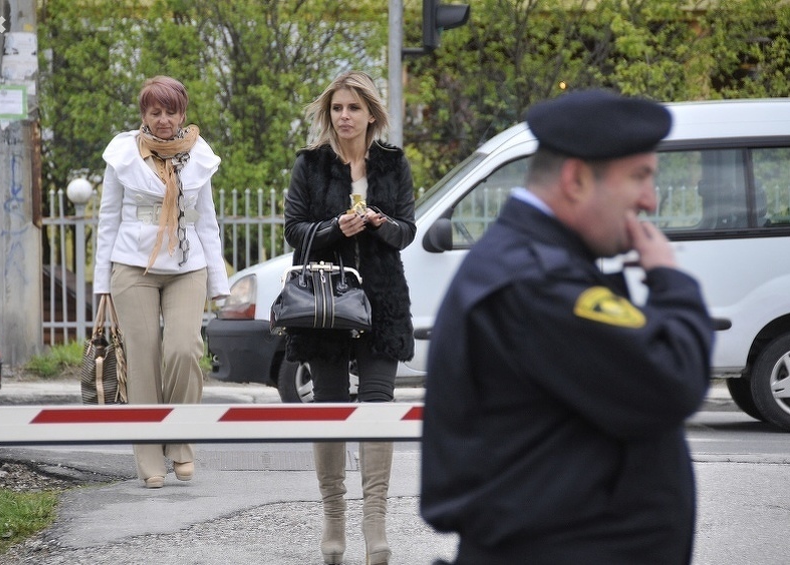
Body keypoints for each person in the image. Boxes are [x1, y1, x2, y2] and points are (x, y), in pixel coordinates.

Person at [420, 89, 715, 564]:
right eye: (639, 177)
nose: (650, 201)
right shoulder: (539, 281)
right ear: (576, 179)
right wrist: (671, 281)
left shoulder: (537, 264)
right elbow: (672, 379)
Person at [283, 70, 416, 565]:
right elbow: (295, 232)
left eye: (353, 108)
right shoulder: (310, 165)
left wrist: (381, 224)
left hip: (381, 302)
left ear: (371, 115)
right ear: (328, 113)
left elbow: (407, 232)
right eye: (337, 108)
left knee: (378, 405)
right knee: (332, 406)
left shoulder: (392, 164)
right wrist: (336, 228)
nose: (344, 117)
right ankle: (334, 523)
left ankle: (375, 526)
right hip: (325, 305)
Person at [94, 75, 229, 489]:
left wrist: (219, 283)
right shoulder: (123, 154)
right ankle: (149, 457)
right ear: (144, 115)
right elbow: (107, 219)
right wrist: (102, 286)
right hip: (133, 265)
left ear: (183, 113)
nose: (164, 120)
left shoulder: (200, 155)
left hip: (187, 263)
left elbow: (206, 221)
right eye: (156, 112)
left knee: (185, 349)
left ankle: (181, 443)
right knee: (143, 359)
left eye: (172, 112)